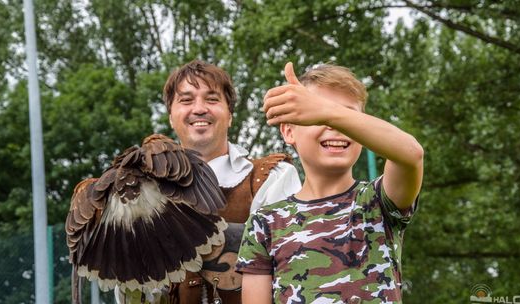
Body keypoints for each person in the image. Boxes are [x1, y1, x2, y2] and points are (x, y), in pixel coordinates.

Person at [236, 62, 424, 304]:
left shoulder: (378, 201)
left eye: (347, 116)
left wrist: (328, 113)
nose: (335, 126)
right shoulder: (266, 222)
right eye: (316, 115)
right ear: (288, 131)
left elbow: (412, 154)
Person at [116, 60, 301, 303]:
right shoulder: (141, 189)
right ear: (171, 117)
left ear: (230, 116)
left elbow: (290, 270)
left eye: (212, 99)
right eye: (186, 100)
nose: (199, 108)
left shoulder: (273, 177)